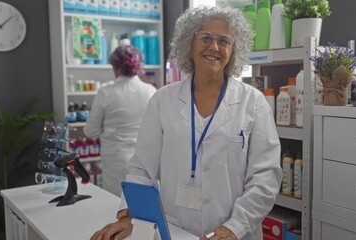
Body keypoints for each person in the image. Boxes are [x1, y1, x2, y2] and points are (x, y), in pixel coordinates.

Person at [91, 6, 282, 240]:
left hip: (235, 233)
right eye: (205, 38)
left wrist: (235, 227)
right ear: (189, 44)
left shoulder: (253, 102)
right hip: (177, 230)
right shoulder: (162, 100)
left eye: (224, 41)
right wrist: (128, 215)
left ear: (233, 50)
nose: (214, 47)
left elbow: (266, 176)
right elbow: (142, 169)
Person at [84, 45, 156, 197]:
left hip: (115, 159)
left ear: (115, 68)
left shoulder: (106, 93)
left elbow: (90, 132)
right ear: (138, 66)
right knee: (143, 203)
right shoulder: (151, 91)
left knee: (116, 204)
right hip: (145, 158)